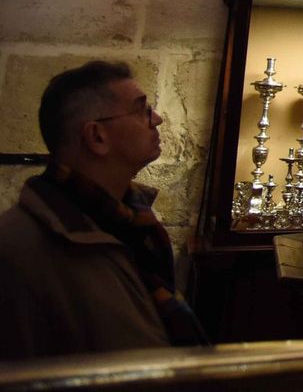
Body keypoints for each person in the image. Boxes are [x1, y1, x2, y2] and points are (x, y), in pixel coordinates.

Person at [0, 61, 206, 358]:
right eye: (141, 110)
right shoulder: (17, 250)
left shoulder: (133, 223)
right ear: (97, 137)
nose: (157, 119)